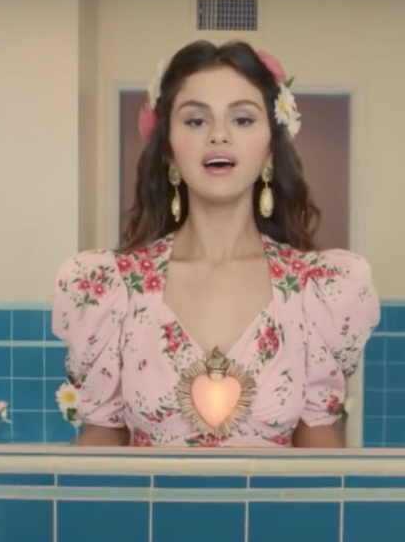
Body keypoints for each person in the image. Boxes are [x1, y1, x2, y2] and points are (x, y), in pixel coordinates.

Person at [53, 40, 380, 448]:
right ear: (169, 151)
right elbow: (102, 437)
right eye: (195, 121)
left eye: (242, 119)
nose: (219, 135)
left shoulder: (317, 289)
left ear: (270, 151)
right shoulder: (112, 287)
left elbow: (317, 437)